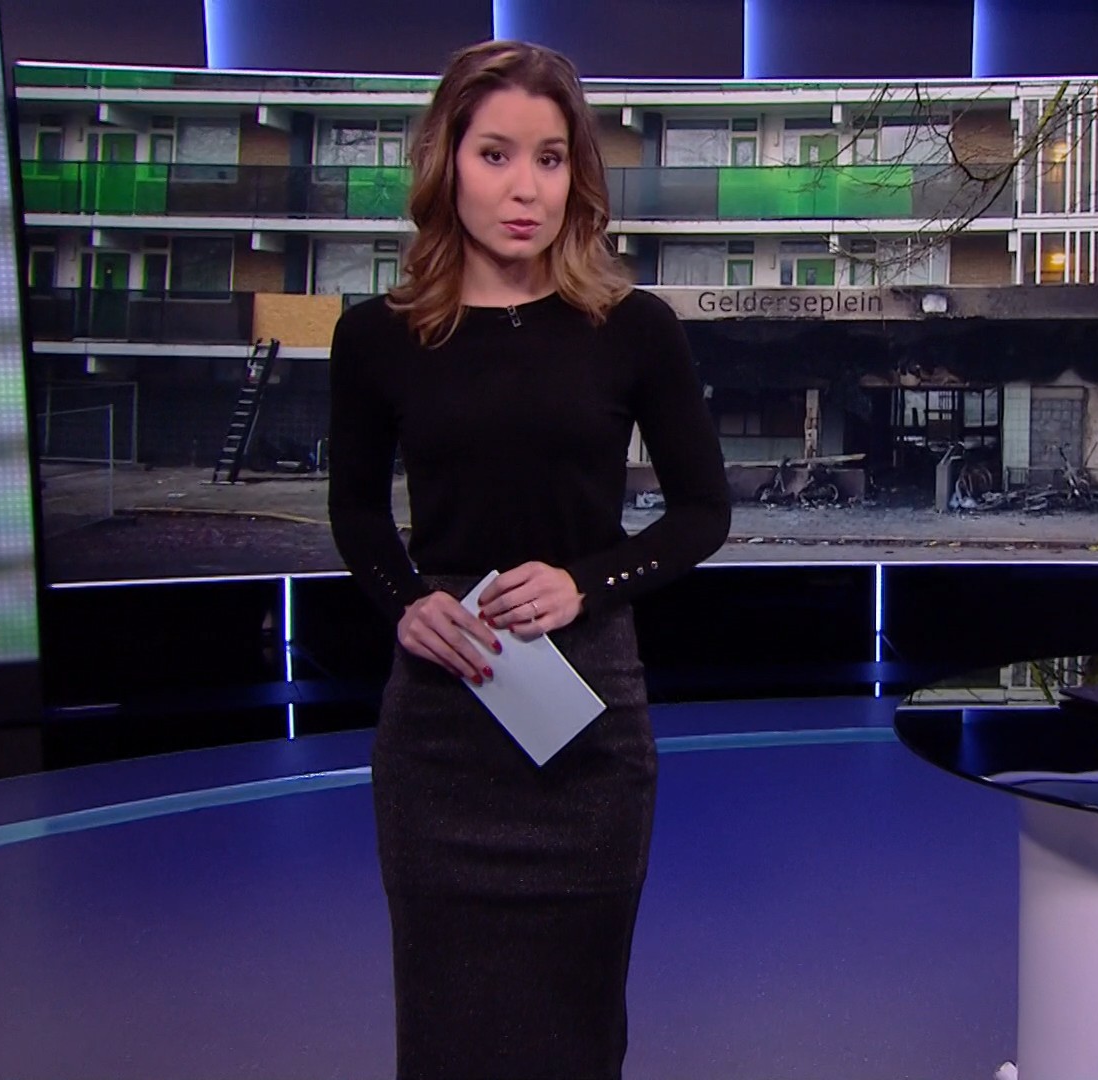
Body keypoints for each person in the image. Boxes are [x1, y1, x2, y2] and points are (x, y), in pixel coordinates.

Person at [326, 39, 731, 1080]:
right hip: (442, 719)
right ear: (447, 164)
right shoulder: (376, 337)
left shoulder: (633, 328)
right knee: (445, 1034)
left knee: (577, 1033)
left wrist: (586, 580)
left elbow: (702, 512)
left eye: (550, 160)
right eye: (496, 155)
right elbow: (356, 511)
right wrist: (405, 602)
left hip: (588, 718)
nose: (526, 189)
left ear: (577, 175)